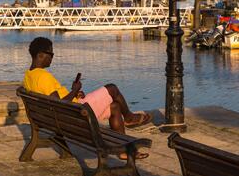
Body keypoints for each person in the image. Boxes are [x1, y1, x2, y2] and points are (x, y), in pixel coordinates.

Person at [23, 37, 152, 159]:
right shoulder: (44, 76)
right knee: (112, 88)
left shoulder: (29, 76)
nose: (52, 58)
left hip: (60, 117)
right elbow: (59, 104)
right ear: (41, 54)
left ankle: (123, 152)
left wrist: (75, 94)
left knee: (115, 107)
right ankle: (129, 117)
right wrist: (75, 90)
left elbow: (56, 102)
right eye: (51, 54)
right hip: (75, 115)